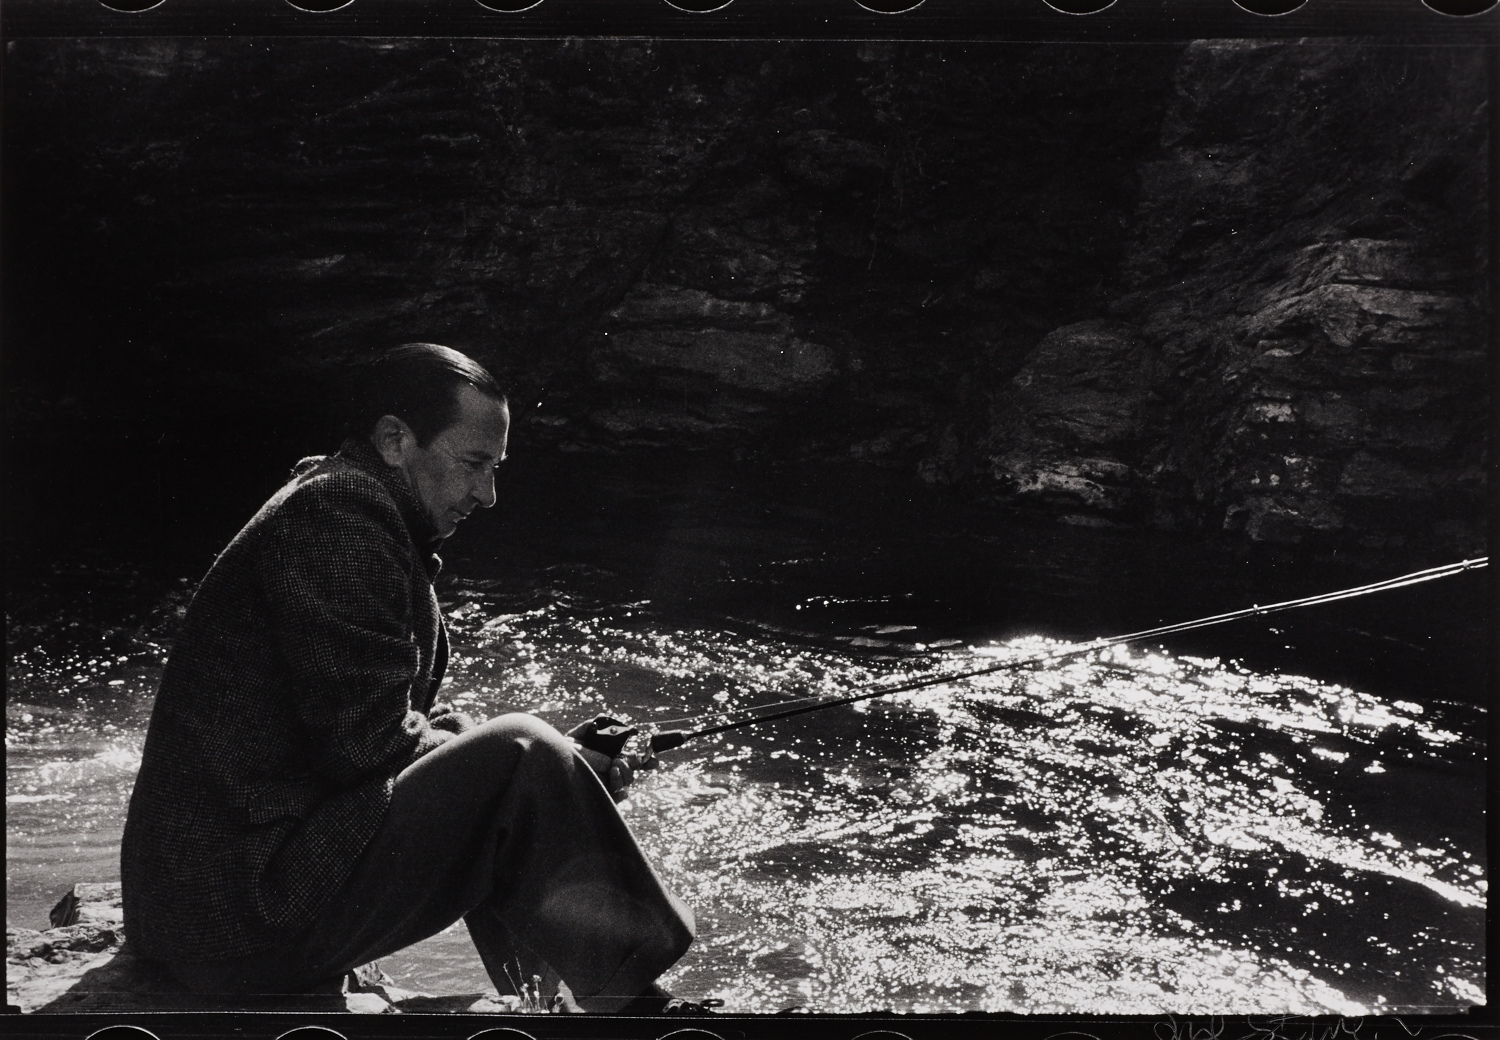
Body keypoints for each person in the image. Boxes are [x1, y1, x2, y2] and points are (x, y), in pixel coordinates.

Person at [120, 343, 697, 1012]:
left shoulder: (346, 503)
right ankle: (630, 1001)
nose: (487, 495)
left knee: (518, 764)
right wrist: (548, 768)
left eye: (496, 469)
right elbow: (364, 748)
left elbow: (380, 730)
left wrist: (563, 772)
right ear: (394, 440)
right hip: (237, 924)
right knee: (521, 754)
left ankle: (551, 1003)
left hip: (222, 909)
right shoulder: (336, 519)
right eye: (474, 465)